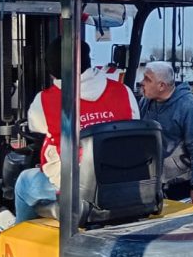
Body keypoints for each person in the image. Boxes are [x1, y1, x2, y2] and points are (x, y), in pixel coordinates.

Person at [14, 38, 139, 223]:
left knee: (24, 181)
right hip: (122, 182)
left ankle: (20, 239)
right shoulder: (124, 92)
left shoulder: (46, 100)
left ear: (52, 70)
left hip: (79, 188)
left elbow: (35, 126)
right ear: (88, 61)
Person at [139, 61, 193, 204]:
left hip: (179, 184)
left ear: (161, 86)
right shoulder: (145, 102)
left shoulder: (189, 107)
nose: (141, 82)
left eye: (147, 79)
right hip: (152, 181)